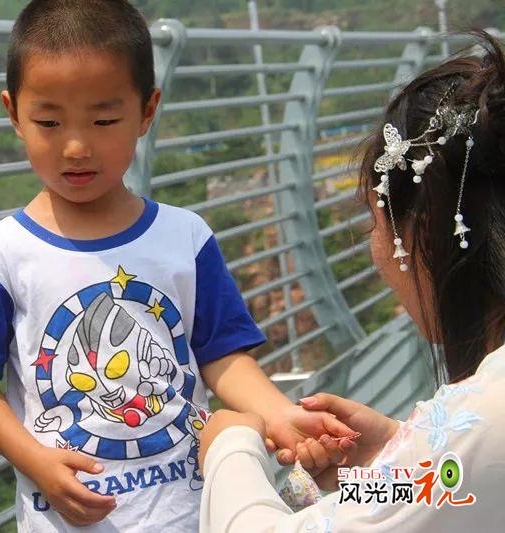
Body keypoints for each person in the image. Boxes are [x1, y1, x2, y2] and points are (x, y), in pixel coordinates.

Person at [0, 1, 357, 530]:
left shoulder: (185, 237)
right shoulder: (0, 254)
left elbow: (221, 356)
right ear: (13, 114)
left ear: (147, 111)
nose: (76, 147)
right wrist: (36, 462)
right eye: (48, 122)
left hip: (192, 515)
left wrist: (280, 414)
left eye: (104, 120)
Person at [198, 30, 505, 532]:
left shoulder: (487, 411)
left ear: (424, 235)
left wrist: (229, 449)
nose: (375, 250)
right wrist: (390, 454)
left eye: (373, 222)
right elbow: (456, 487)